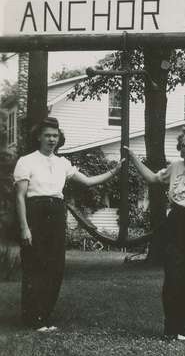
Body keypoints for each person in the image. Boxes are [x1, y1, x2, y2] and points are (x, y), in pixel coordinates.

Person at [14, 116, 123, 332]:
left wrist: (114, 171)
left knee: (55, 267)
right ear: (38, 137)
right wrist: (25, 227)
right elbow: (20, 197)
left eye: (55, 136)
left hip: (56, 213)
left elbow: (88, 181)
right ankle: (32, 318)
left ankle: (43, 316)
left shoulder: (62, 163)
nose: (52, 139)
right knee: (35, 265)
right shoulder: (26, 161)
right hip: (35, 213)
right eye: (47, 135)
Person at [125, 125, 185, 341]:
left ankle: (182, 329)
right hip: (175, 223)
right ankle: (170, 327)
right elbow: (152, 179)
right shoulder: (174, 167)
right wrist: (133, 158)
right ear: (179, 148)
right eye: (184, 145)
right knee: (172, 279)